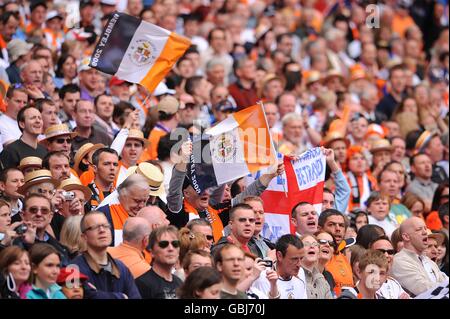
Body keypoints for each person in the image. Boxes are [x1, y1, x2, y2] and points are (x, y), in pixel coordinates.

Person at [72, 210, 141, 299]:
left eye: (105, 226)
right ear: (84, 237)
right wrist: (121, 297)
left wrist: (97, 295)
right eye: (94, 227)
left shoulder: (121, 268)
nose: (102, 230)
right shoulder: (73, 268)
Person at [391, 217, 448, 297]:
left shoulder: (428, 261)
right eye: (419, 229)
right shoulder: (399, 261)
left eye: (425, 228)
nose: (425, 232)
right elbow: (424, 289)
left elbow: (445, 281)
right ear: (406, 237)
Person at [97, 174, 150, 246]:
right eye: (137, 201)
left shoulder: (145, 213)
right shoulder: (103, 215)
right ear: (123, 195)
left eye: (145, 201)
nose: (141, 206)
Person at [252, 234, 307, 299]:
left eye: (301, 258)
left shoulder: (300, 272)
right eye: (294, 259)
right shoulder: (264, 276)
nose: (299, 264)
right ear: (279, 256)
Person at [135, 225, 182, 299]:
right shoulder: (142, 284)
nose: (170, 248)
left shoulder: (179, 282)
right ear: (151, 251)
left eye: (175, 244)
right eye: (163, 244)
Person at [318, 209, 354, 295]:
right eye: (331, 224)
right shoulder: (315, 256)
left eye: (341, 225)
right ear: (319, 229)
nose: (338, 229)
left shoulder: (344, 256)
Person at [0, 106, 47, 170]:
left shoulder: (44, 150)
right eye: (33, 118)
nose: (38, 121)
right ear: (22, 124)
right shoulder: (10, 151)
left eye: (40, 118)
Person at [300, 235, 333, 299]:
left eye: (315, 244)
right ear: (298, 251)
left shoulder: (322, 280)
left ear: (318, 252)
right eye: (306, 244)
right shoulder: (293, 276)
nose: (312, 246)